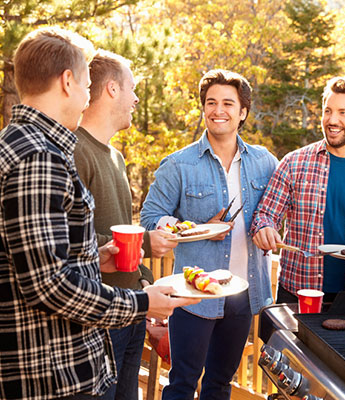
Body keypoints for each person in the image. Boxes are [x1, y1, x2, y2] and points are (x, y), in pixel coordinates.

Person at [0, 27, 198, 400]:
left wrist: (94, 257)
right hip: (54, 375)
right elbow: (48, 285)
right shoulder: (38, 158)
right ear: (67, 81)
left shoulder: (27, 146)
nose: (89, 95)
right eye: (87, 84)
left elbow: (39, 260)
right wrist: (143, 302)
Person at [140, 69, 278, 400]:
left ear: (243, 112)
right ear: (203, 109)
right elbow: (149, 218)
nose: (219, 110)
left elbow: (278, 210)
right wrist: (193, 229)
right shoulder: (179, 164)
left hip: (242, 294)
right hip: (192, 296)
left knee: (220, 383)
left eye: (228, 103)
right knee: (183, 382)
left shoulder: (265, 162)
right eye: (211, 102)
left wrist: (272, 228)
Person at [74, 49, 178, 400]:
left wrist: (146, 284)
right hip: (100, 320)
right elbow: (73, 241)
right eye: (132, 88)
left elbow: (119, 231)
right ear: (112, 89)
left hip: (132, 311)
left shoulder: (115, 156)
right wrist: (147, 242)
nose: (136, 98)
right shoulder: (74, 150)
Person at [251, 76, 345, 304]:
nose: (332, 120)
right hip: (296, 293)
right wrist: (264, 228)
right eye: (327, 111)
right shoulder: (294, 163)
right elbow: (265, 214)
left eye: (343, 113)